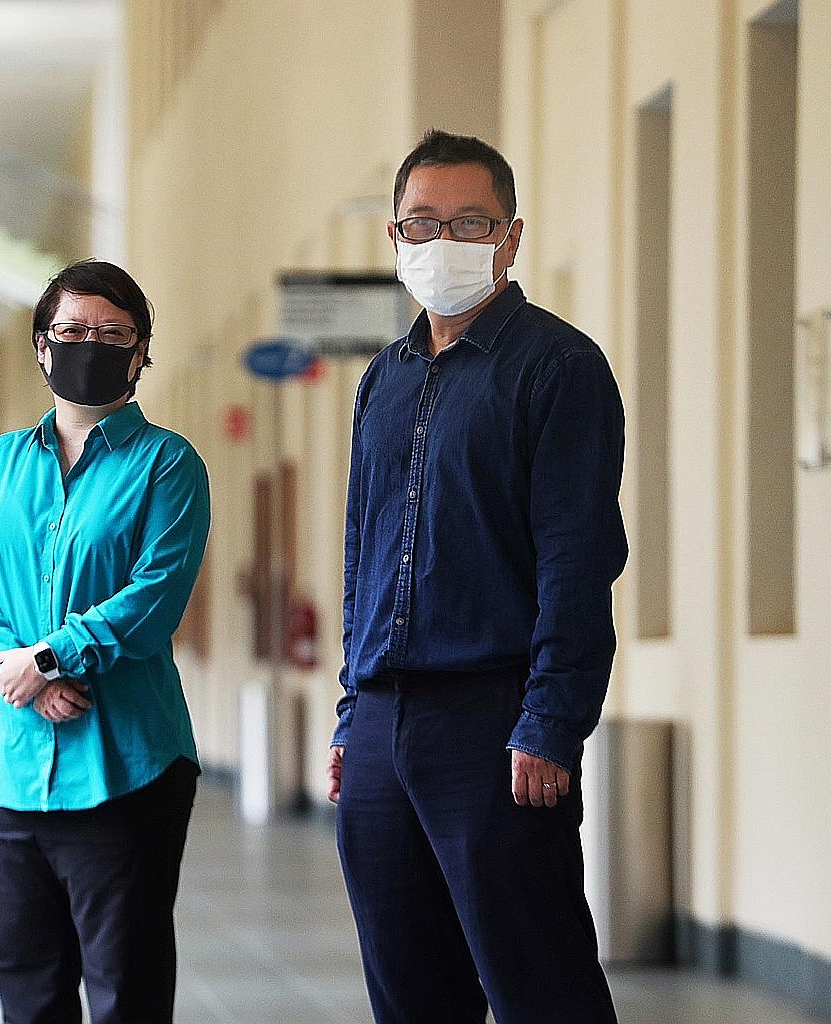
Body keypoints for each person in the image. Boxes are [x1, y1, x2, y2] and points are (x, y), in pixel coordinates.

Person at [329, 129, 627, 1024]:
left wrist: (551, 722)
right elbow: (363, 554)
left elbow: (577, 560)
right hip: (381, 726)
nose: (443, 240)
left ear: (511, 237)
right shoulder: (382, 379)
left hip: (496, 726)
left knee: (541, 990)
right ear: (394, 237)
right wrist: (352, 713)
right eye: (422, 223)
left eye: (470, 222)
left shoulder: (559, 367)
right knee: (409, 993)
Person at [0, 260, 210, 1024]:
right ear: (42, 345)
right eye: (72, 330)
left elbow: (154, 597)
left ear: (141, 351)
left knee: (126, 988)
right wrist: (23, 672)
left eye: (113, 333)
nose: (89, 344)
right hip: (10, 768)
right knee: (27, 988)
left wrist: (51, 656)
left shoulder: (168, 465)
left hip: (124, 768)